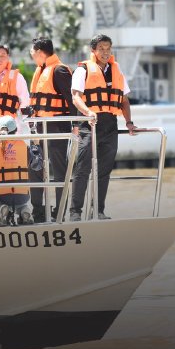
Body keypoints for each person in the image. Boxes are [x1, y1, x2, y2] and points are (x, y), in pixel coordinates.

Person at [70, 34, 138, 221]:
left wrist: (129, 123)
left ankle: (98, 211)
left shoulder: (116, 70)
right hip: (89, 124)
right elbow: (76, 97)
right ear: (93, 50)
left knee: (104, 170)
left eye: (108, 49)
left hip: (110, 126)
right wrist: (88, 112)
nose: (105, 52)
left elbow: (123, 100)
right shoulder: (82, 70)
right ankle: (75, 212)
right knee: (83, 169)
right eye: (101, 49)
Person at [28, 37, 76, 220]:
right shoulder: (41, 71)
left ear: (40, 52)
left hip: (57, 126)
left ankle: (60, 211)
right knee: (35, 166)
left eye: (32, 53)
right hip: (40, 127)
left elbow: (72, 100)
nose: (32, 57)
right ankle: (38, 210)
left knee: (59, 169)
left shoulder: (59, 70)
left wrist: (76, 125)